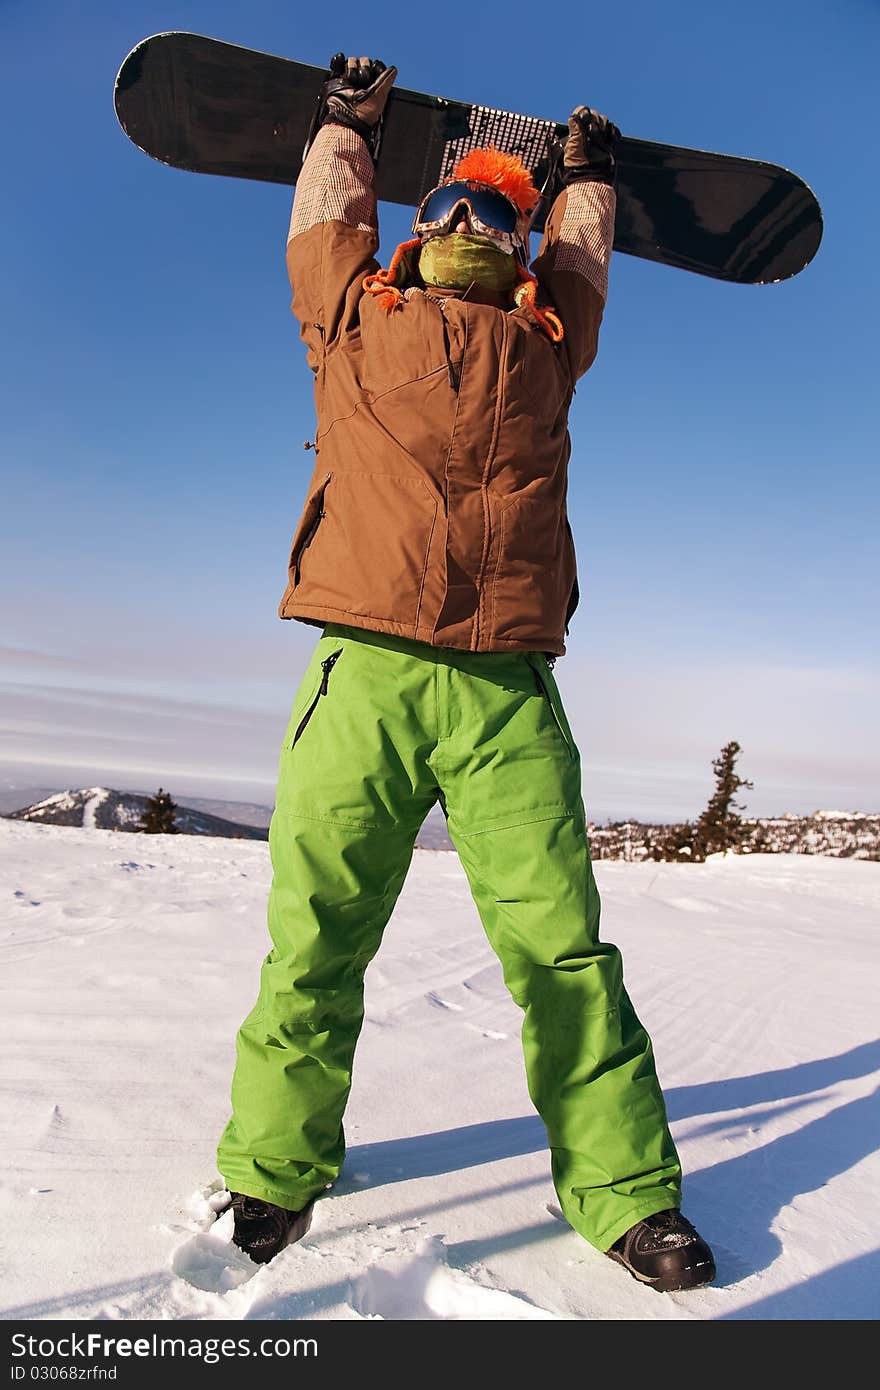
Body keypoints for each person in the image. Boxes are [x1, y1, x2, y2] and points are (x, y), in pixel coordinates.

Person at [216, 54, 715, 1294]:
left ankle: (624, 1192)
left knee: (562, 952)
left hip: (504, 691)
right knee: (315, 943)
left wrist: (587, 179)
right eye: (446, 205)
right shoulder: (353, 318)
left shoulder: (548, 345)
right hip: (365, 677)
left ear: (517, 241)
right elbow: (326, 224)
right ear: (414, 227)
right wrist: (347, 126)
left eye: (497, 209)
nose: (467, 221)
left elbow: (584, 268)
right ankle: (274, 1172)